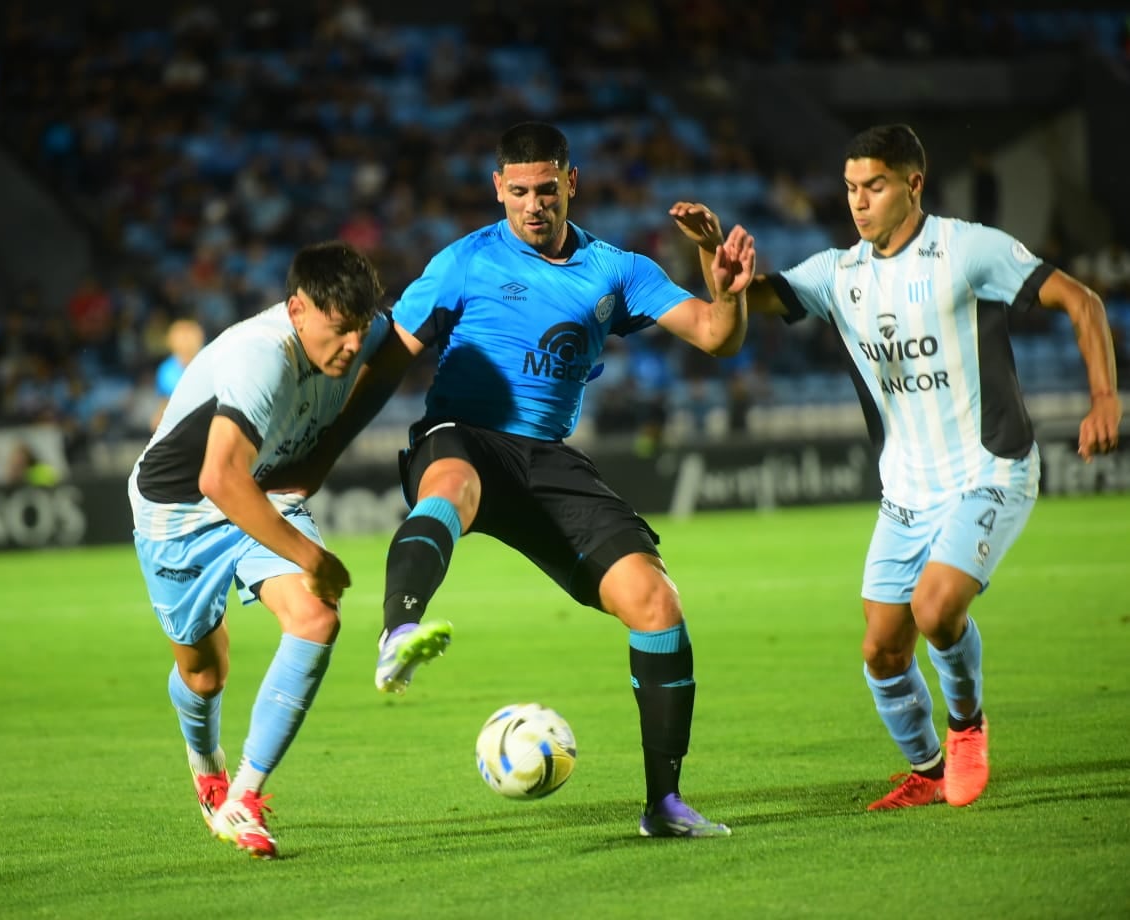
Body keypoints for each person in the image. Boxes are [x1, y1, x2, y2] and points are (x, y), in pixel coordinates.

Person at [673, 124, 1121, 811]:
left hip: (989, 471)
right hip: (905, 494)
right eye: (851, 188)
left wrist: (1101, 400)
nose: (858, 202)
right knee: (882, 652)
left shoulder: (969, 250)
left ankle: (968, 726)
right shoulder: (838, 274)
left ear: (913, 184)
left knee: (935, 609)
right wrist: (719, 268)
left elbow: (1082, 302)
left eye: (874, 186)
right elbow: (742, 311)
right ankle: (929, 768)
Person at [351, 121, 757, 838]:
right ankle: (398, 630)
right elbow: (387, 361)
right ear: (497, 191)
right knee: (451, 488)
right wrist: (318, 450)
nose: (533, 205)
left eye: (546, 190)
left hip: (546, 458)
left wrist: (717, 275)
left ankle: (664, 805)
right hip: (464, 436)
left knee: (655, 602)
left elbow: (717, 335)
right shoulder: (463, 261)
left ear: (570, 183)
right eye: (518, 193)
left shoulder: (617, 269)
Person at [127, 240, 392, 859]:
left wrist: (325, 455)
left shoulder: (362, 337)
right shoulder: (260, 356)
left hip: (265, 491)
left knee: (316, 617)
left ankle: (243, 797)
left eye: (361, 329)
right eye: (340, 330)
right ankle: (207, 763)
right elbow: (217, 479)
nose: (353, 346)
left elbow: (398, 355)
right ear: (298, 311)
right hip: (178, 514)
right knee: (204, 670)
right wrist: (312, 557)